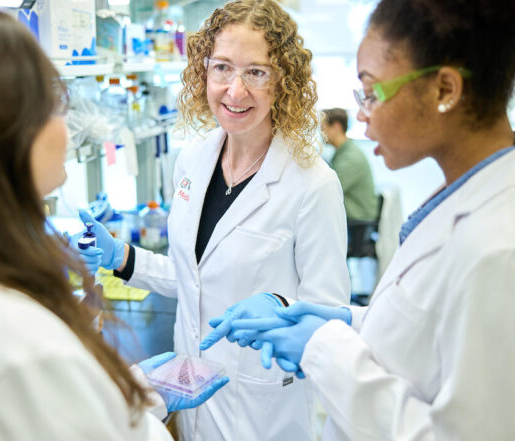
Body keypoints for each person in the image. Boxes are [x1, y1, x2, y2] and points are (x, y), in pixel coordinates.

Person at [0, 8, 227, 441]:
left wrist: (125, 394)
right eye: (53, 104)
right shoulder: (15, 339)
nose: (68, 126)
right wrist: (136, 406)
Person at [216, 0, 515, 439]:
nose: (360, 112)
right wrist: (346, 321)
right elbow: (425, 341)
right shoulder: (466, 196)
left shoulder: (499, 247)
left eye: (372, 91)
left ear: (444, 90)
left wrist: (322, 347)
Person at [74, 0, 350, 440]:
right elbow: (196, 277)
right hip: (190, 392)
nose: (235, 91)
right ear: (203, 72)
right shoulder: (193, 159)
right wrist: (123, 257)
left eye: (256, 72)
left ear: (284, 82)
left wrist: (279, 309)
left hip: (265, 408)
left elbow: (330, 317)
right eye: (222, 67)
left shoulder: (312, 183)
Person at [321, 108, 378, 221]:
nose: (321, 133)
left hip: (357, 222)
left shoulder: (350, 158)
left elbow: (329, 192)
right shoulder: (343, 152)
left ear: (336, 127)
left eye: (323, 128)